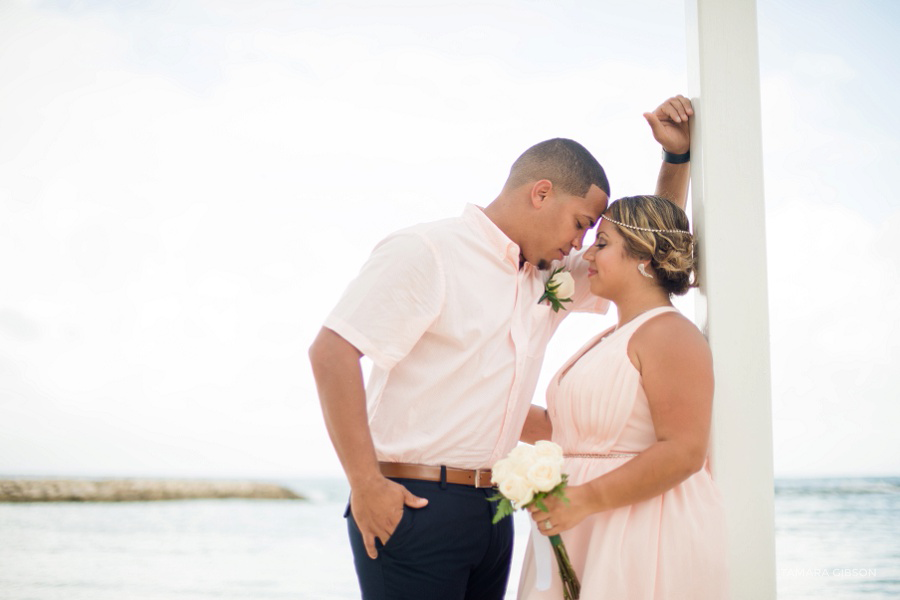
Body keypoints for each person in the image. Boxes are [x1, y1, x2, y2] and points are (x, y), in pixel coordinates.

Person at [308, 96, 695, 600]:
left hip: (494, 511)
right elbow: (332, 351)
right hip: (412, 501)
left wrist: (677, 160)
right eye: (580, 223)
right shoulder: (429, 251)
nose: (581, 245)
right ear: (541, 193)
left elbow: (643, 251)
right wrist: (365, 484)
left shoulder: (548, 276)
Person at [519, 194, 729, 599]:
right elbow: (564, 430)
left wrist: (582, 499)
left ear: (643, 257)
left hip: (637, 529)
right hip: (581, 523)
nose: (587, 253)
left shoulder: (670, 334)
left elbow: (684, 451)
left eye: (602, 243)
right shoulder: (612, 337)